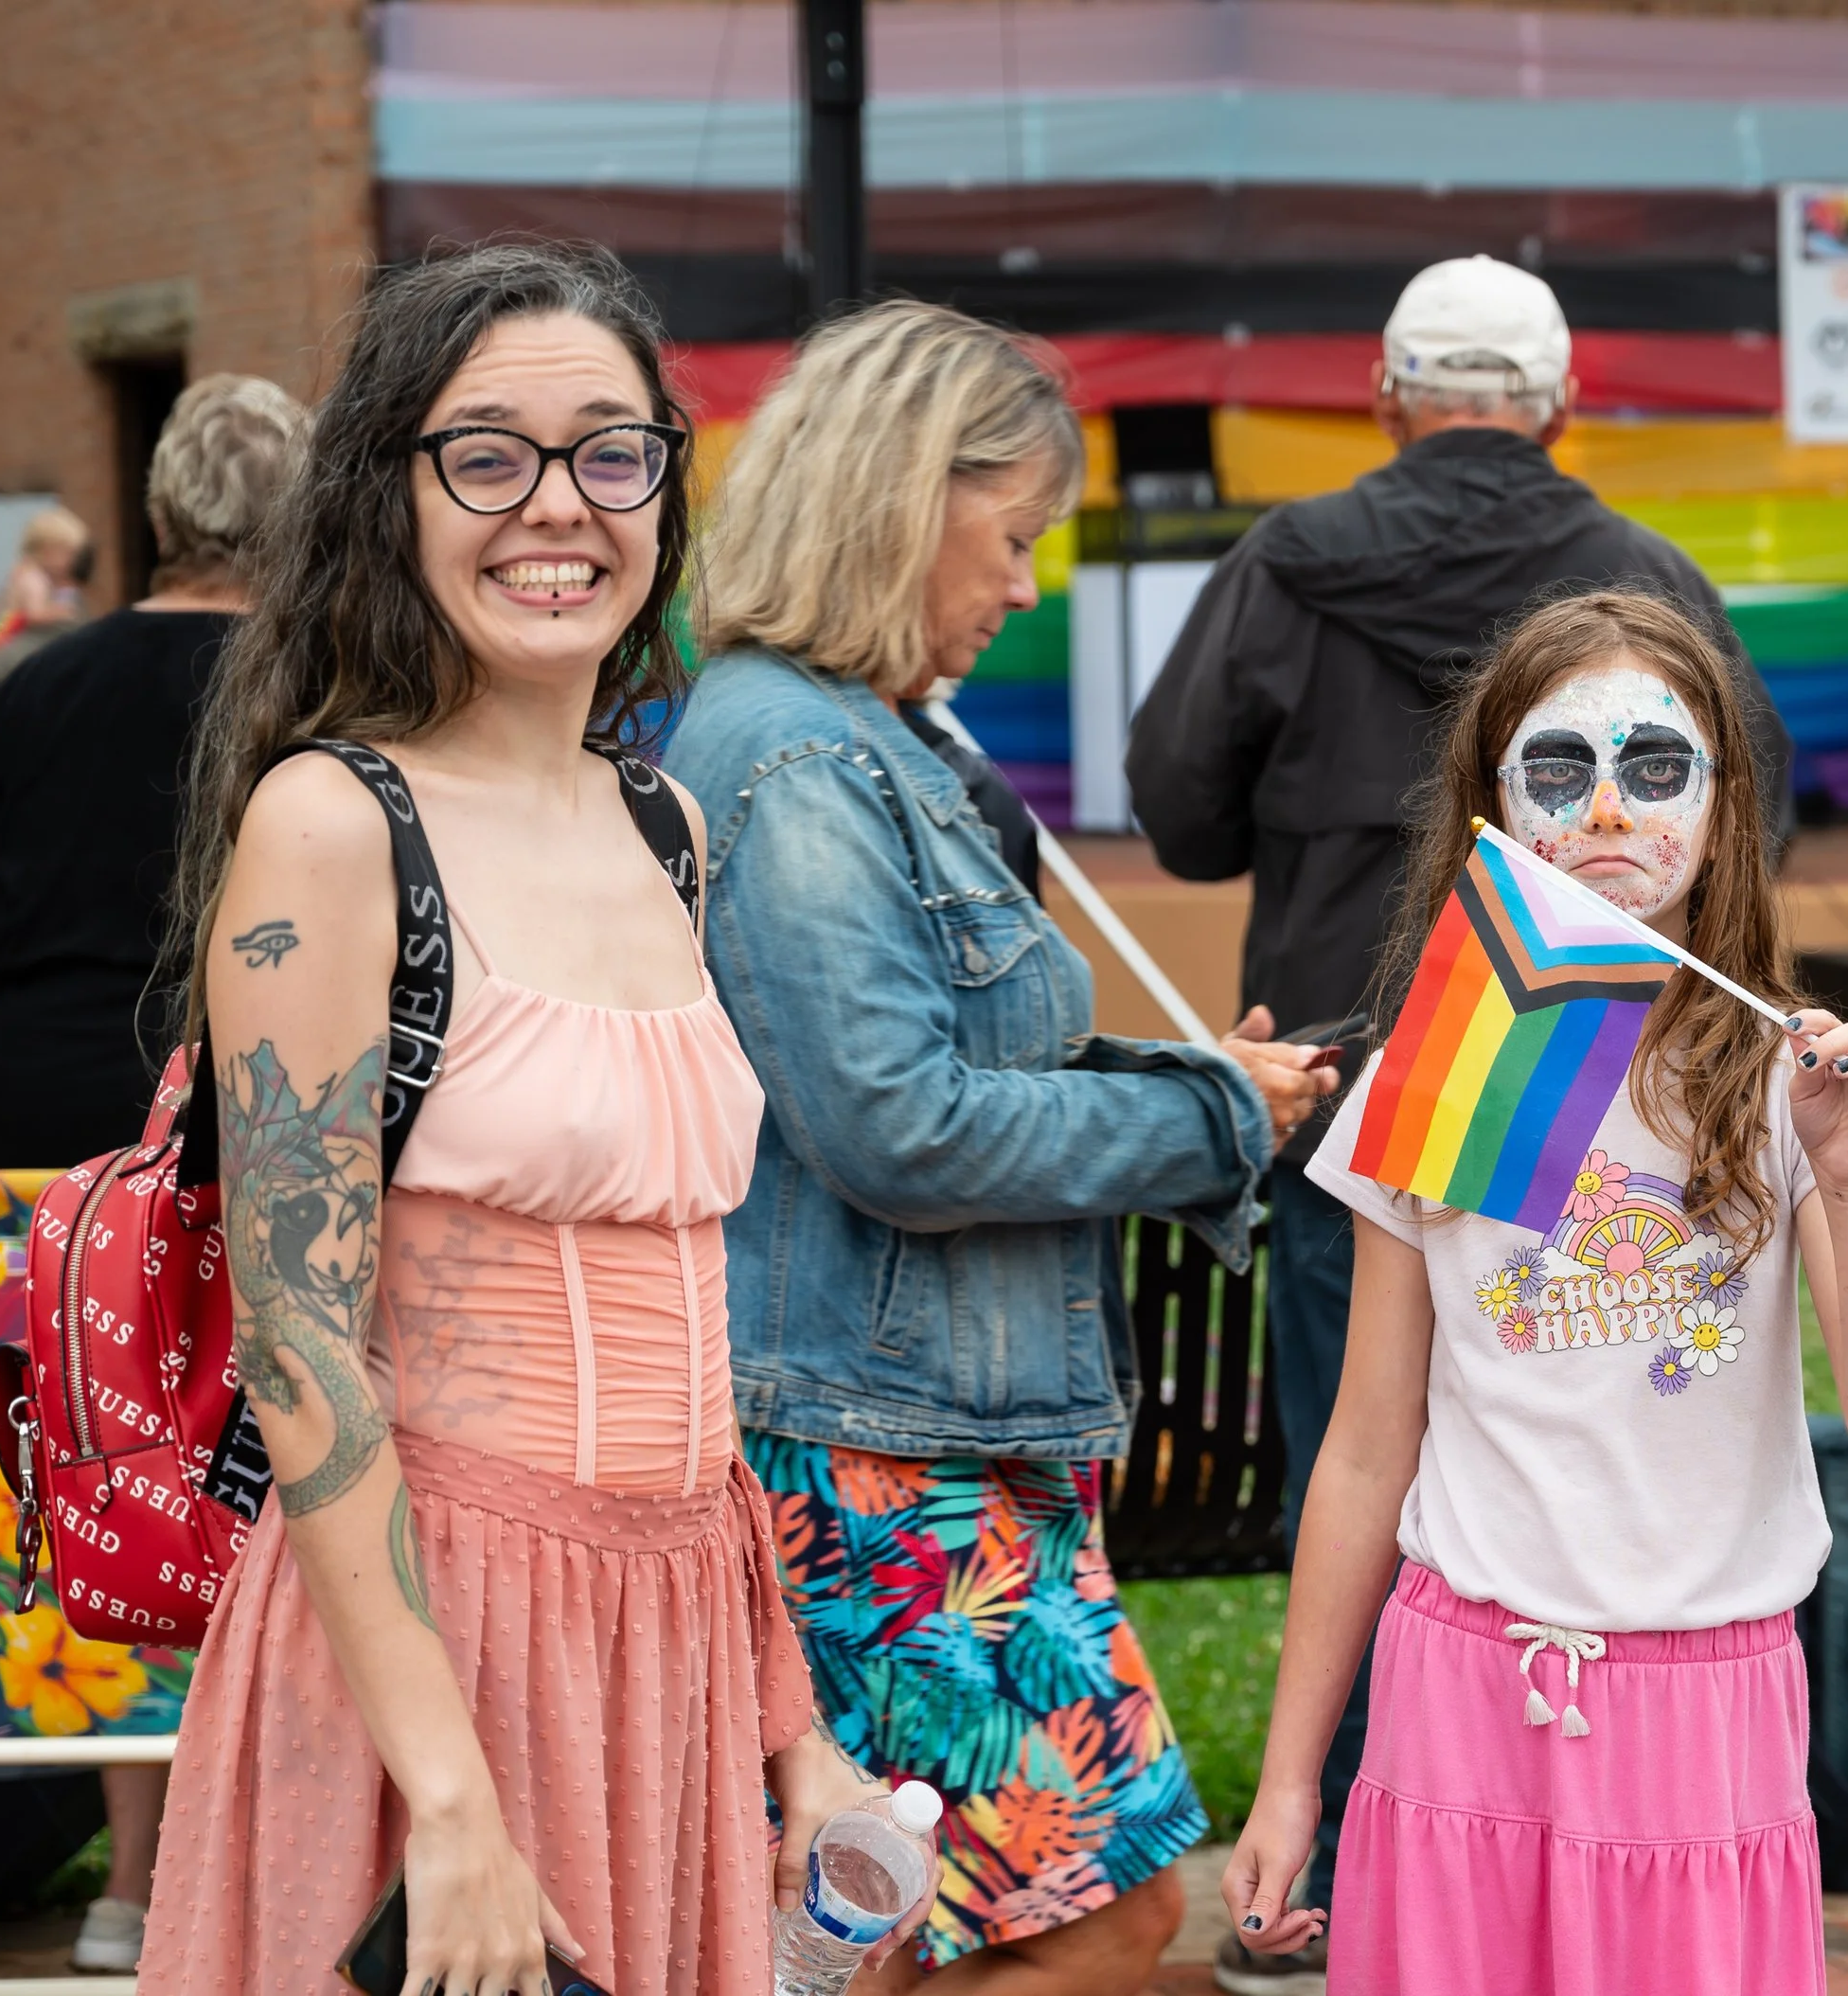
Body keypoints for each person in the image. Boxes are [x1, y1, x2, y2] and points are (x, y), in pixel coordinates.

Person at [136, 241, 875, 1996]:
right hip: (434, 1647)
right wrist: (448, 1795)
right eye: (487, 454)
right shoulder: (330, 824)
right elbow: (306, 1348)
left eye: (609, 451)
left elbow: (690, 1326)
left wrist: (791, 1728)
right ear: (391, 491)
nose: (557, 507)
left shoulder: (666, 823)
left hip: (673, 1642)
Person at [1123, 255, 1793, 1987]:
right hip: (1490, 1076)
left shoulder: (1289, 561)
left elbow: (1180, 804)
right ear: (1560, 404)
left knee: (1390, 1456)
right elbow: (1766, 794)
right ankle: (1409, 1849)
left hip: (1380, 1057)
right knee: (1493, 1453)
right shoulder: (1642, 576)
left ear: (1383, 393)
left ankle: (1345, 1857)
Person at [666, 300, 1333, 1996]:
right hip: (885, 1457)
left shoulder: (835, 733)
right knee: (1083, 1914)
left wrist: (1198, 1098)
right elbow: (901, 1126)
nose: (1030, 583)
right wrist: (1202, 1114)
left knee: (879, 1928)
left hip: (910, 1438)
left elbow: (932, 1072)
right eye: (1019, 531)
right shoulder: (805, 753)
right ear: (903, 495)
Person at [1222, 589, 1848, 1996]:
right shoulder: (1449, 1073)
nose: (1611, 811)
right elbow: (1369, 1446)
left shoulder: (1782, 1080)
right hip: (1456, 1705)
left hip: (1708, 1711)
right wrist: (1290, 1778)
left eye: (1656, 767)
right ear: (1493, 805)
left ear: (1727, 807)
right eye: (1561, 769)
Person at [0, 373, 305, 1971]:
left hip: (39, 1155)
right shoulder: (314, 691)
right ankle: (238, 1872)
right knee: (243, 1498)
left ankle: (124, 1884)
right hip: (232, 1146)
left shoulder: (39, 686)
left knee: (62, 1497)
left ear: (153, 506)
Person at [0, 504, 92, 708]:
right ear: (46, 549)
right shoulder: (34, 578)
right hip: (8, 653)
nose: (70, 562)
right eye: (67, 553)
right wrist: (62, 612)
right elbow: (34, 614)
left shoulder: (21, 571)